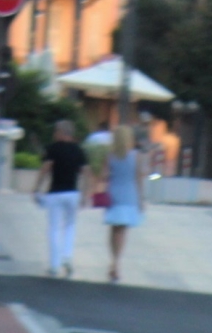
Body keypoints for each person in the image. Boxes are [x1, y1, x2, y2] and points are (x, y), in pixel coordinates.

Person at [36, 119, 87, 278]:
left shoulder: (52, 149)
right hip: (73, 193)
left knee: (54, 228)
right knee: (70, 227)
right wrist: (86, 194)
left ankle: (54, 264)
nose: (54, 134)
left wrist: (37, 187)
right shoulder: (79, 150)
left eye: (55, 131)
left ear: (60, 132)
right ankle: (67, 257)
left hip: (55, 193)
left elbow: (45, 168)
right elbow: (87, 173)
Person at [93, 124, 144, 282]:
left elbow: (103, 176)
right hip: (129, 196)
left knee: (114, 230)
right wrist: (141, 200)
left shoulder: (110, 156)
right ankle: (116, 263)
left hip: (113, 196)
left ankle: (113, 262)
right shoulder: (136, 156)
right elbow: (138, 179)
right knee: (122, 231)